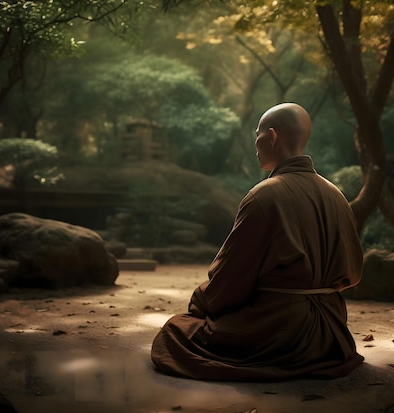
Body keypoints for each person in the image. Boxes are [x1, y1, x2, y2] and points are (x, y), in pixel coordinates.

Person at [151, 102, 364, 381]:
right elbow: (353, 271)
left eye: (258, 134)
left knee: (175, 332)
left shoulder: (264, 196)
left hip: (280, 330)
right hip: (333, 333)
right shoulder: (336, 194)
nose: (256, 144)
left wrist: (200, 303)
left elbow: (231, 279)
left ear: (272, 136)